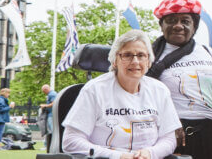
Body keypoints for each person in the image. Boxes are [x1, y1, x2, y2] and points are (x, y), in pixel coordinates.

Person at [62, 30, 181, 158]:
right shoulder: (94, 90)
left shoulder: (160, 90)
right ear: (114, 61)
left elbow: (169, 139)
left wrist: (150, 153)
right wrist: (118, 156)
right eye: (127, 55)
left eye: (141, 55)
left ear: (148, 62)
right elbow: (71, 141)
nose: (135, 61)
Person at [148, 0, 212, 158]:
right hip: (174, 134)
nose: (178, 26)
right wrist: (170, 125)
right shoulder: (149, 56)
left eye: (185, 21)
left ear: (195, 26)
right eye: (171, 20)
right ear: (161, 25)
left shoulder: (208, 53)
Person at [40, 84, 58, 149]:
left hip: (51, 115)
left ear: (46, 89)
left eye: (43, 91)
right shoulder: (51, 94)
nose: (43, 93)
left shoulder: (52, 94)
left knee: (51, 130)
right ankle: (47, 144)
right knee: (49, 130)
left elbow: (54, 103)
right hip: (50, 114)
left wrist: (45, 106)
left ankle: (50, 145)